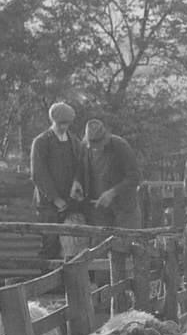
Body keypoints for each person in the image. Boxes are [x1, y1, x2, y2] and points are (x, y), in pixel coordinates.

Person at [30, 102, 85, 260]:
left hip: (70, 202)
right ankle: (46, 282)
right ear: (53, 121)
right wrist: (55, 199)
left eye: (67, 123)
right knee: (50, 244)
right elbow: (38, 174)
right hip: (48, 205)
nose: (64, 127)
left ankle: (68, 284)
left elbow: (80, 166)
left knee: (71, 246)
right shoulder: (41, 142)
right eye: (60, 123)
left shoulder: (74, 142)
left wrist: (77, 182)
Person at [82, 117, 143, 230]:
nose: (96, 149)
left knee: (125, 244)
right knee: (100, 246)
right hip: (99, 211)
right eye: (93, 145)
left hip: (124, 210)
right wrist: (77, 183)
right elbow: (80, 171)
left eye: (99, 144)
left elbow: (135, 176)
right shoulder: (84, 149)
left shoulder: (120, 146)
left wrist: (112, 192)